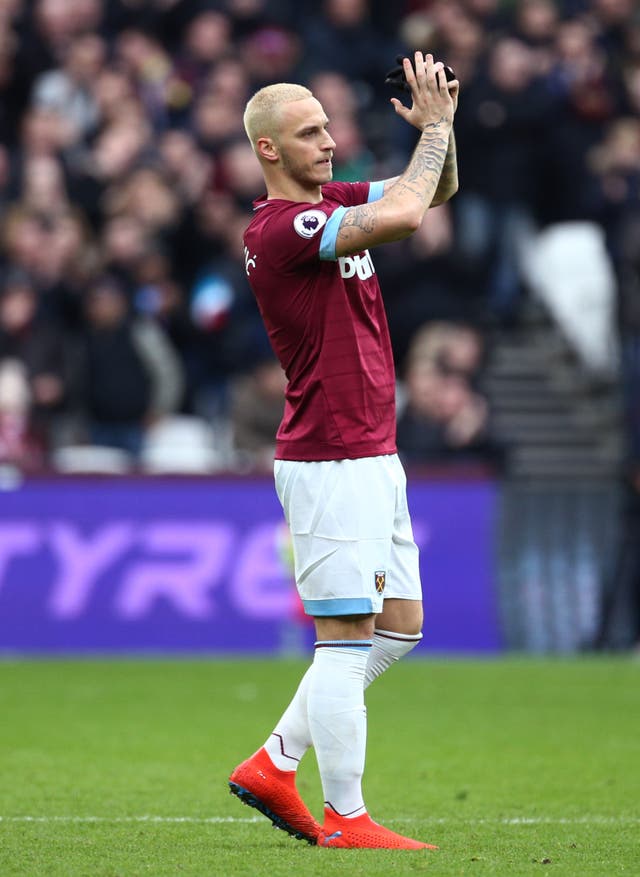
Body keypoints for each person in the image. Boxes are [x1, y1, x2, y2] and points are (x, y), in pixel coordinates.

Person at [228, 52, 458, 850]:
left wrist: (445, 131)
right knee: (346, 636)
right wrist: (430, 131)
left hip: (369, 449)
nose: (329, 142)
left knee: (399, 627)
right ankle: (347, 815)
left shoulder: (326, 200)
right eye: (309, 132)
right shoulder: (280, 227)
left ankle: (276, 758)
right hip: (328, 458)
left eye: (327, 126)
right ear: (268, 150)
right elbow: (400, 217)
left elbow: (432, 193)